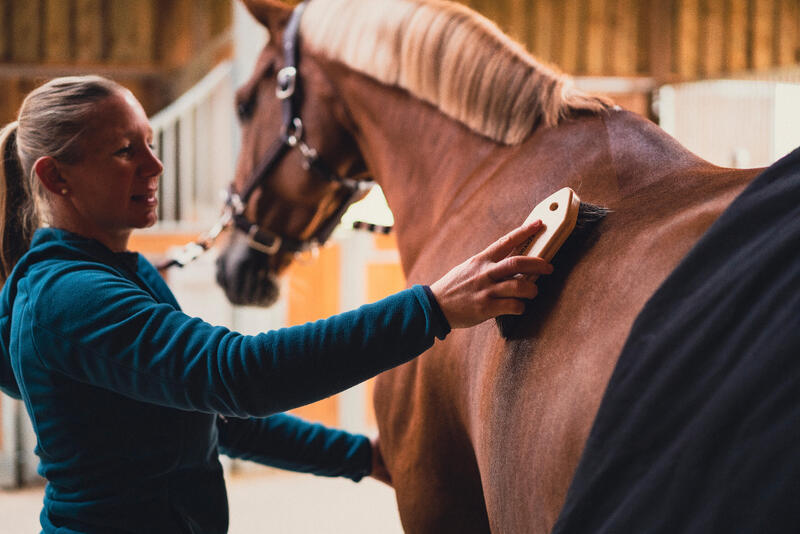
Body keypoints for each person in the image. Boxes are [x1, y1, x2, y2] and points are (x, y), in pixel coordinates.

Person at [0, 75, 552, 533]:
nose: (155, 166)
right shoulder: (68, 300)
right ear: (56, 177)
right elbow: (239, 375)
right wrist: (432, 308)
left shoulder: (127, 272)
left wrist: (362, 457)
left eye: (150, 142)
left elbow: (211, 418)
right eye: (126, 151)